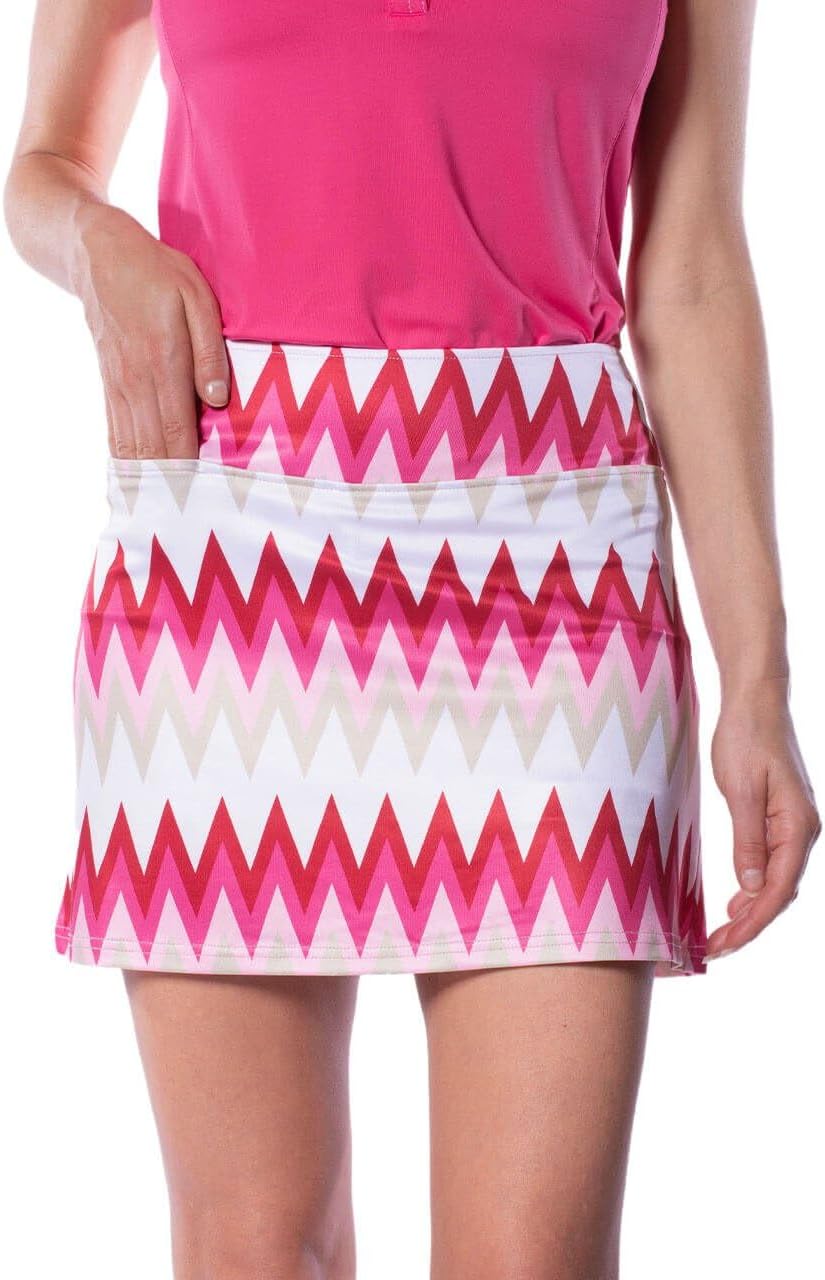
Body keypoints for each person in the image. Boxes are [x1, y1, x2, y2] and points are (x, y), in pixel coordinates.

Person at [4, 1, 820, 1276]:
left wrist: (757, 678)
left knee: (532, 1259)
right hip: (230, 542)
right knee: (256, 1249)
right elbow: (44, 165)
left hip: (559, 568)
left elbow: (696, 264)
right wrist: (98, 243)